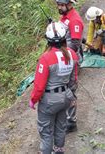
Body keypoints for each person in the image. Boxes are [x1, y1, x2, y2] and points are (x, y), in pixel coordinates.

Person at [29, 21, 78, 154]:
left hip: (49, 101)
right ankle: (59, 150)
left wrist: (33, 100)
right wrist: (71, 96)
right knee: (61, 126)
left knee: (46, 131)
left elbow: (39, 86)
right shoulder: (72, 54)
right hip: (65, 97)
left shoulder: (45, 58)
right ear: (64, 38)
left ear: (48, 40)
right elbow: (73, 80)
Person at [55, 0, 84, 132]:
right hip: (62, 58)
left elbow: (74, 44)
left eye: (61, 5)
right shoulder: (65, 17)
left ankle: (71, 121)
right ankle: (63, 114)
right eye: (58, 4)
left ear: (69, 4)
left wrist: (62, 55)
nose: (59, 7)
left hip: (69, 60)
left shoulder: (75, 20)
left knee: (70, 91)